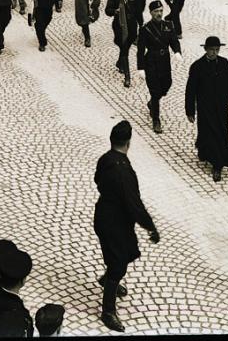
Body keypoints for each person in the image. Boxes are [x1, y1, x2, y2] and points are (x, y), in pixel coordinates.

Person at [93, 120, 160, 333]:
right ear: (128, 142)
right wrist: (150, 227)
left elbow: (97, 180)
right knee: (118, 265)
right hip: (116, 223)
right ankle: (108, 311)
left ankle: (108, 279)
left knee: (121, 254)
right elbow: (134, 204)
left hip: (103, 215)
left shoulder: (105, 159)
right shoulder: (124, 171)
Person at [184, 36, 228, 182]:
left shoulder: (224, 63)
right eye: (212, 50)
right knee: (207, 132)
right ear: (205, 49)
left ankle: (218, 163)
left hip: (222, 108)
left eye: (217, 50)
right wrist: (190, 110)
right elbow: (190, 90)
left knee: (220, 134)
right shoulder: (197, 66)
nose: (214, 53)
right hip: (205, 108)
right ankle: (213, 160)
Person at [136, 0, 182, 133]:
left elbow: (174, 41)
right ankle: (156, 119)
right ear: (150, 13)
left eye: (161, 11)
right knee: (155, 90)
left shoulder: (168, 25)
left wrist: (177, 52)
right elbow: (140, 50)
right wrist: (141, 68)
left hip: (165, 61)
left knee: (167, 85)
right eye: (156, 11)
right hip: (151, 61)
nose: (159, 14)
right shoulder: (145, 29)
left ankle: (152, 102)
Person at [105, 0, 139, 88]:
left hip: (132, 26)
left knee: (126, 47)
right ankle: (127, 76)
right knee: (124, 48)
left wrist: (141, 24)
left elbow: (138, 11)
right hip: (119, 26)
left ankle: (120, 63)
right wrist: (115, 11)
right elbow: (107, 11)